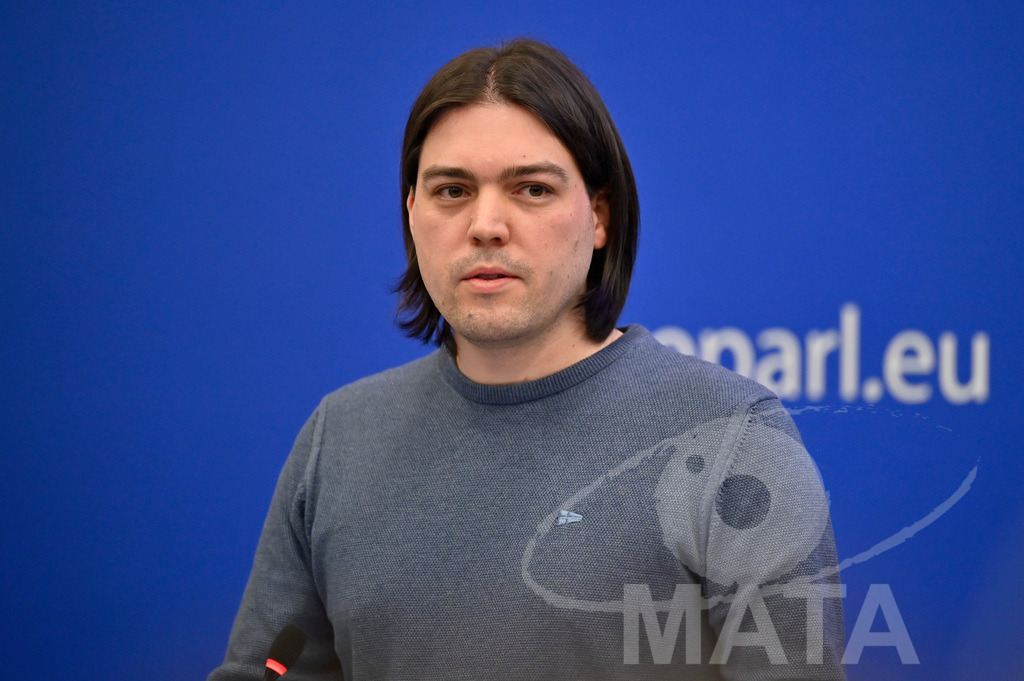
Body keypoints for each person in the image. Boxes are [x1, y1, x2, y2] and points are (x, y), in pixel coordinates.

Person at [209, 39, 846, 680]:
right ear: (411, 214)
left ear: (599, 217)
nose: (486, 224)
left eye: (531, 189)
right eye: (452, 191)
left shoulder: (731, 435)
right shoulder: (338, 437)